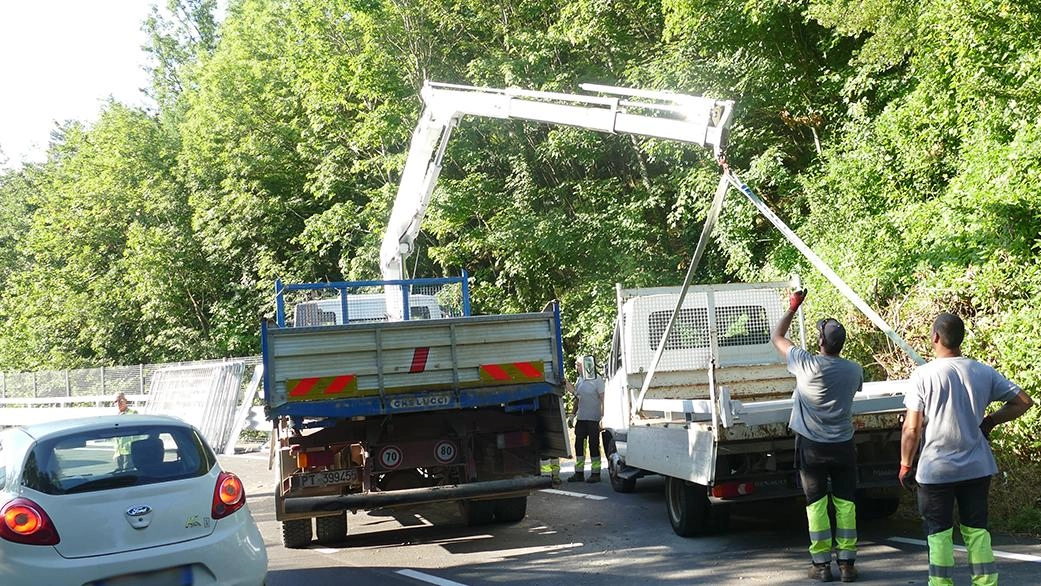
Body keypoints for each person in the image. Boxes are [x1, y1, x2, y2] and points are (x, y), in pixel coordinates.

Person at [900, 313, 1034, 586]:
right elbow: (1023, 401)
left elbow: (912, 429)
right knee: (977, 531)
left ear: (935, 337)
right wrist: (991, 421)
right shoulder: (982, 371)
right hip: (976, 467)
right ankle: (985, 582)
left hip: (935, 471)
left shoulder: (922, 376)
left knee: (938, 534)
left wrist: (905, 464)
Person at [771, 288, 863, 583]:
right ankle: (847, 564)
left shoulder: (805, 364)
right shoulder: (854, 370)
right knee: (846, 502)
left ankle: (821, 566)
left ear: (821, 341)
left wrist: (792, 308)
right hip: (843, 446)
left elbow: (777, 337)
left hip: (812, 447)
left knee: (816, 503)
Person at [567, 356, 605, 483]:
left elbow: (603, 399)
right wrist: (572, 414)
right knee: (578, 445)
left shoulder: (597, 380)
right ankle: (579, 473)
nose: (576, 367)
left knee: (594, 445)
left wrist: (603, 417)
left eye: (578, 364)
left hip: (594, 418)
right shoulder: (580, 380)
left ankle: (595, 473)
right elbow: (577, 398)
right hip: (582, 418)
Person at [113, 392, 137, 470]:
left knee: (127, 474)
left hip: (129, 451)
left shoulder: (132, 414)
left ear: (125, 401)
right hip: (118, 452)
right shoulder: (114, 416)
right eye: (116, 401)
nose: (118, 403)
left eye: (120, 400)